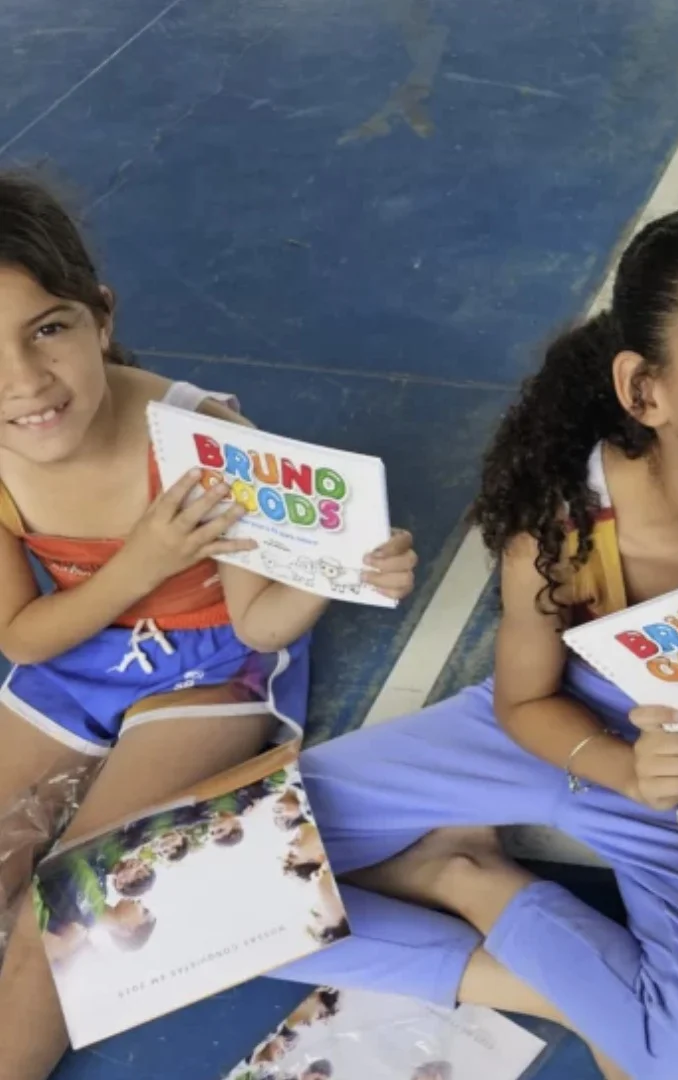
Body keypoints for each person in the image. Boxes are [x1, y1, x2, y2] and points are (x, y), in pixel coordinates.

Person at [272, 200, 678, 1080]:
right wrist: (620, 769)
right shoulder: (567, 522)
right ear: (645, 391)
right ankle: (545, 984)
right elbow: (523, 702)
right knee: (224, 888)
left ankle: (464, 874)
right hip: (557, 734)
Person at [0, 172, 416, 1080]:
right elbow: (23, 638)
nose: (24, 380)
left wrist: (332, 575)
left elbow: (261, 625)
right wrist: (141, 564)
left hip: (214, 664)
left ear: (101, 317)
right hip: (77, 653)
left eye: (48, 329)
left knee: (64, 914)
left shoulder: (204, 437)